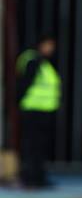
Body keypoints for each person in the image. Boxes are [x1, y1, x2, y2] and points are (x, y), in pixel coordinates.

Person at [16, 34, 61, 188]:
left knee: (39, 147)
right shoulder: (33, 60)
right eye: (48, 44)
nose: (51, 49)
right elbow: (24, 83)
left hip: (43, 111)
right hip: (33, 110)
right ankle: (30, 179)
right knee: (32, 147)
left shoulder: (43, 63)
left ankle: (38, 178)